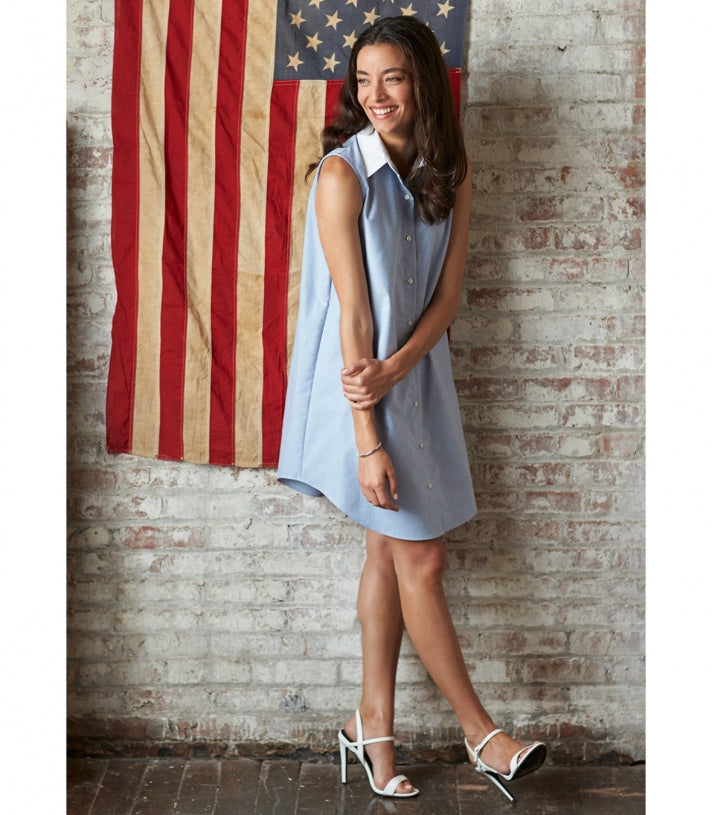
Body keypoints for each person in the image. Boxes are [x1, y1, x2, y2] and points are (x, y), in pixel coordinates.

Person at [277, 16, 546, 802]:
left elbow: (448, 296)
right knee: (421, 559)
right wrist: (368, 439)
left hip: (415, 375)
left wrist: (402, 367)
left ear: (422, 80)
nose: (376, 95)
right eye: (363, 80)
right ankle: (481, 733)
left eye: (391, 77)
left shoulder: (451, 170)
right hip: (357, 386)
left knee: (386, 554)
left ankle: (372, 727)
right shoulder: (342, 176)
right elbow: (354, 318)